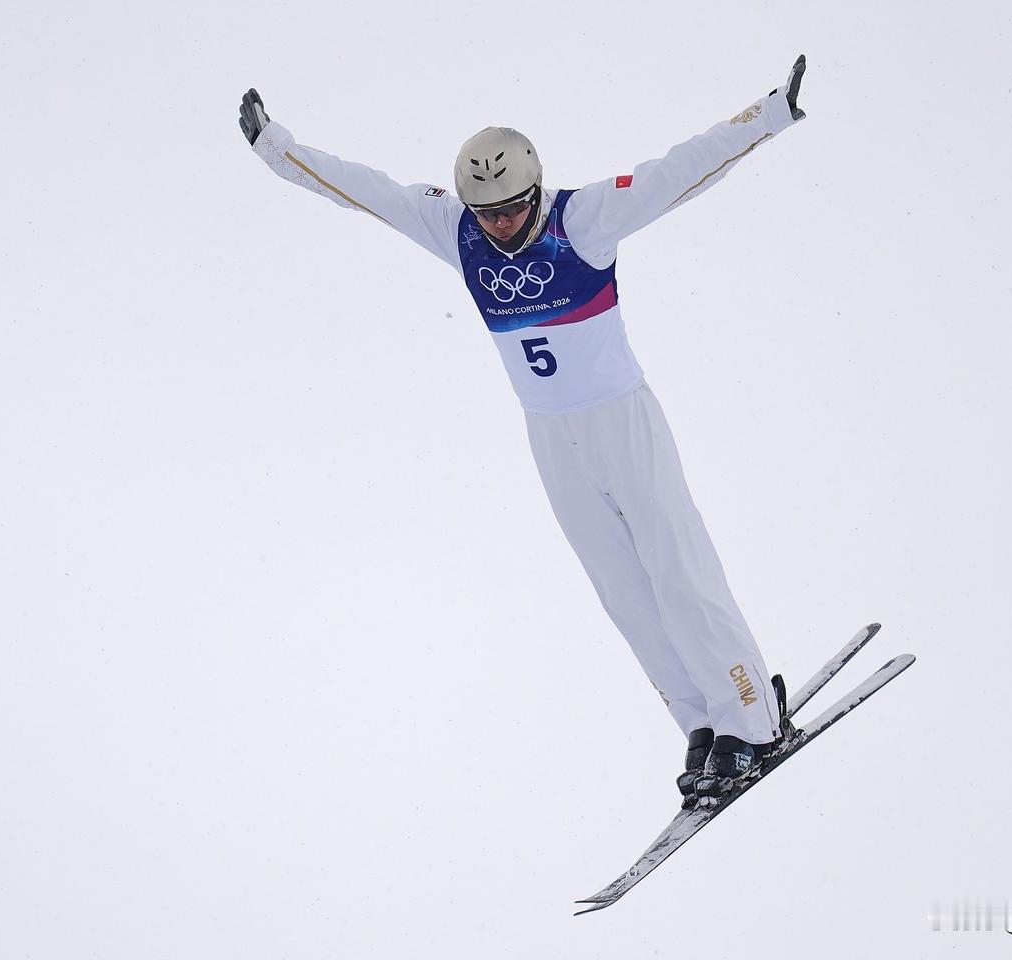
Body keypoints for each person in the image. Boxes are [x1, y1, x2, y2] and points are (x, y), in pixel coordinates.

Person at [239, 56, 808, 805]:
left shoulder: (587, 218)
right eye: (488, 212)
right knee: (623, 590)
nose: (501, 223)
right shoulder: (457, 230)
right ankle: (702, 718)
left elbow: (683, 170)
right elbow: (366, 191)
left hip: (621, 421)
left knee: (677, 568)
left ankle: (752, 717)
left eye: (512, 207)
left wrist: (769, 113)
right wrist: (276, 147)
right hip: (550, 436)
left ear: (535, 187)